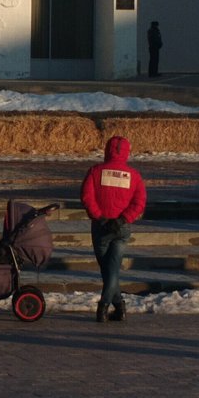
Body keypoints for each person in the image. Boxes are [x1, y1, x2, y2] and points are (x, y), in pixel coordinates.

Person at [80, 135, 147, 322]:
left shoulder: (95, 172)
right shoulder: (133, 176)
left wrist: (100, 216)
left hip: (100, 227)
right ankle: (119, 307)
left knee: (108, 270)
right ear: (127, 152)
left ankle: (103, 307)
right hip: (122, 228)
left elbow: (86, 196)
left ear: (107, 150)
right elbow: (139, 202)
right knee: (112, 270)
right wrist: (123, 219)